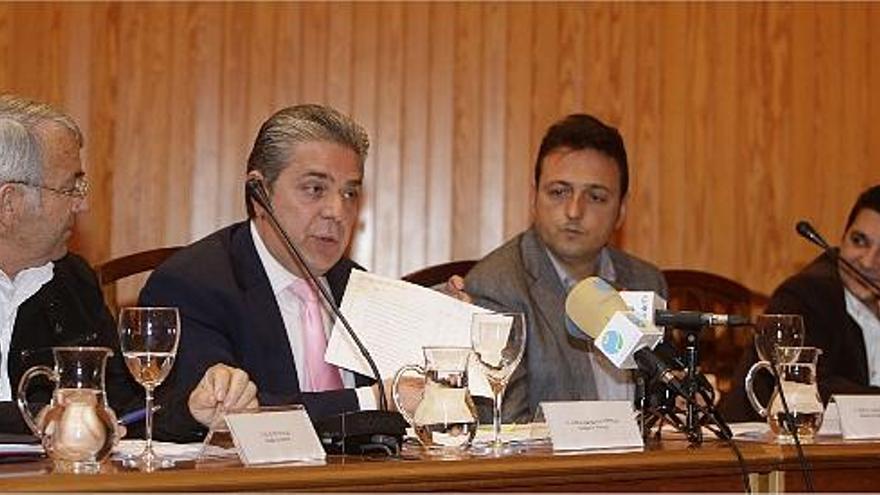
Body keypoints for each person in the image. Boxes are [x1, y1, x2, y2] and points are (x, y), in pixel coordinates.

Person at [141, 104, 386, 442]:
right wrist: (374, 401)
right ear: (260, 194)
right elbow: (230, 412)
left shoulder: (359, 287)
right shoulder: (193, 285)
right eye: (315, 189)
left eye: (350, 193)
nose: (337, 211)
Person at [463, 114, 667, 423]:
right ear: (533, 197)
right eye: (559, 192)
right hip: (551, 470)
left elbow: (660, 408)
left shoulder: (646, 281)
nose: (574, 211)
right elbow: (505, 429)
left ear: (622, 209)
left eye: (596, 197)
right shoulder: (495, 286)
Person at [0, 94, 142, 433]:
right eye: (69, 189)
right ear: (9, 204)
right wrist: (40, 419)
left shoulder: (72, 281)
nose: (81, 205)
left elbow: (119, 403)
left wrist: (189, 409)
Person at [721, 185, 880, 422]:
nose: (868, 262)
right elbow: (809, 386)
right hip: (765, 449)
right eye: (859, 241)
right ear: (842, 238)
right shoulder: (806, 294)